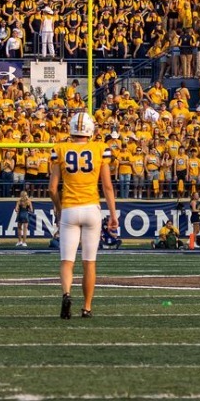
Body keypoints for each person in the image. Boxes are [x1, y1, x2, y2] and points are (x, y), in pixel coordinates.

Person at [52, 111, 117, 319]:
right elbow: (107, 186)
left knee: (66, 261)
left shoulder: (60, 148)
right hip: (91, 209)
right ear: (90, 129)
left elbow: (52, 188)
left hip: (70, 208)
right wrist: (113, 214)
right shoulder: (100, 148)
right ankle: (87, 307)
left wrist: (59, 208)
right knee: (89, 262)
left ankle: (66, 293)